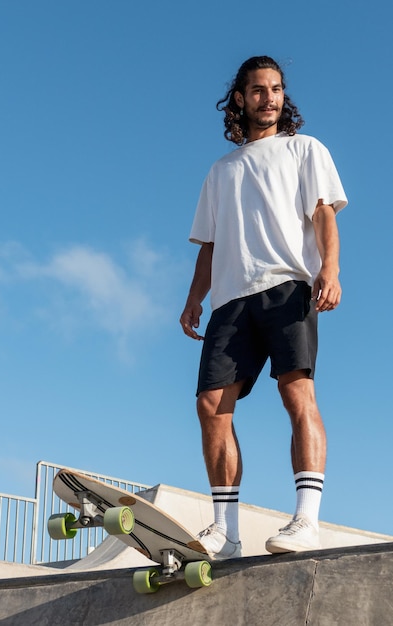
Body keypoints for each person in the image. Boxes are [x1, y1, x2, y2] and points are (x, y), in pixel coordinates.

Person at [179, 55, 347, 559]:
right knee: (211, 405)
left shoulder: (304, 149)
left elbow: (322, 215)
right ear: (240, 98)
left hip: (286, 286)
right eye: (257, 90)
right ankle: (226, 531)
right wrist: (194, 297)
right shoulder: (220, 170)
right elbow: (209, 243)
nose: (268, 98)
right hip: (230, 300)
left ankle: (306, 521)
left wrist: (330, 270)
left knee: (297, 394)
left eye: (275, 89)